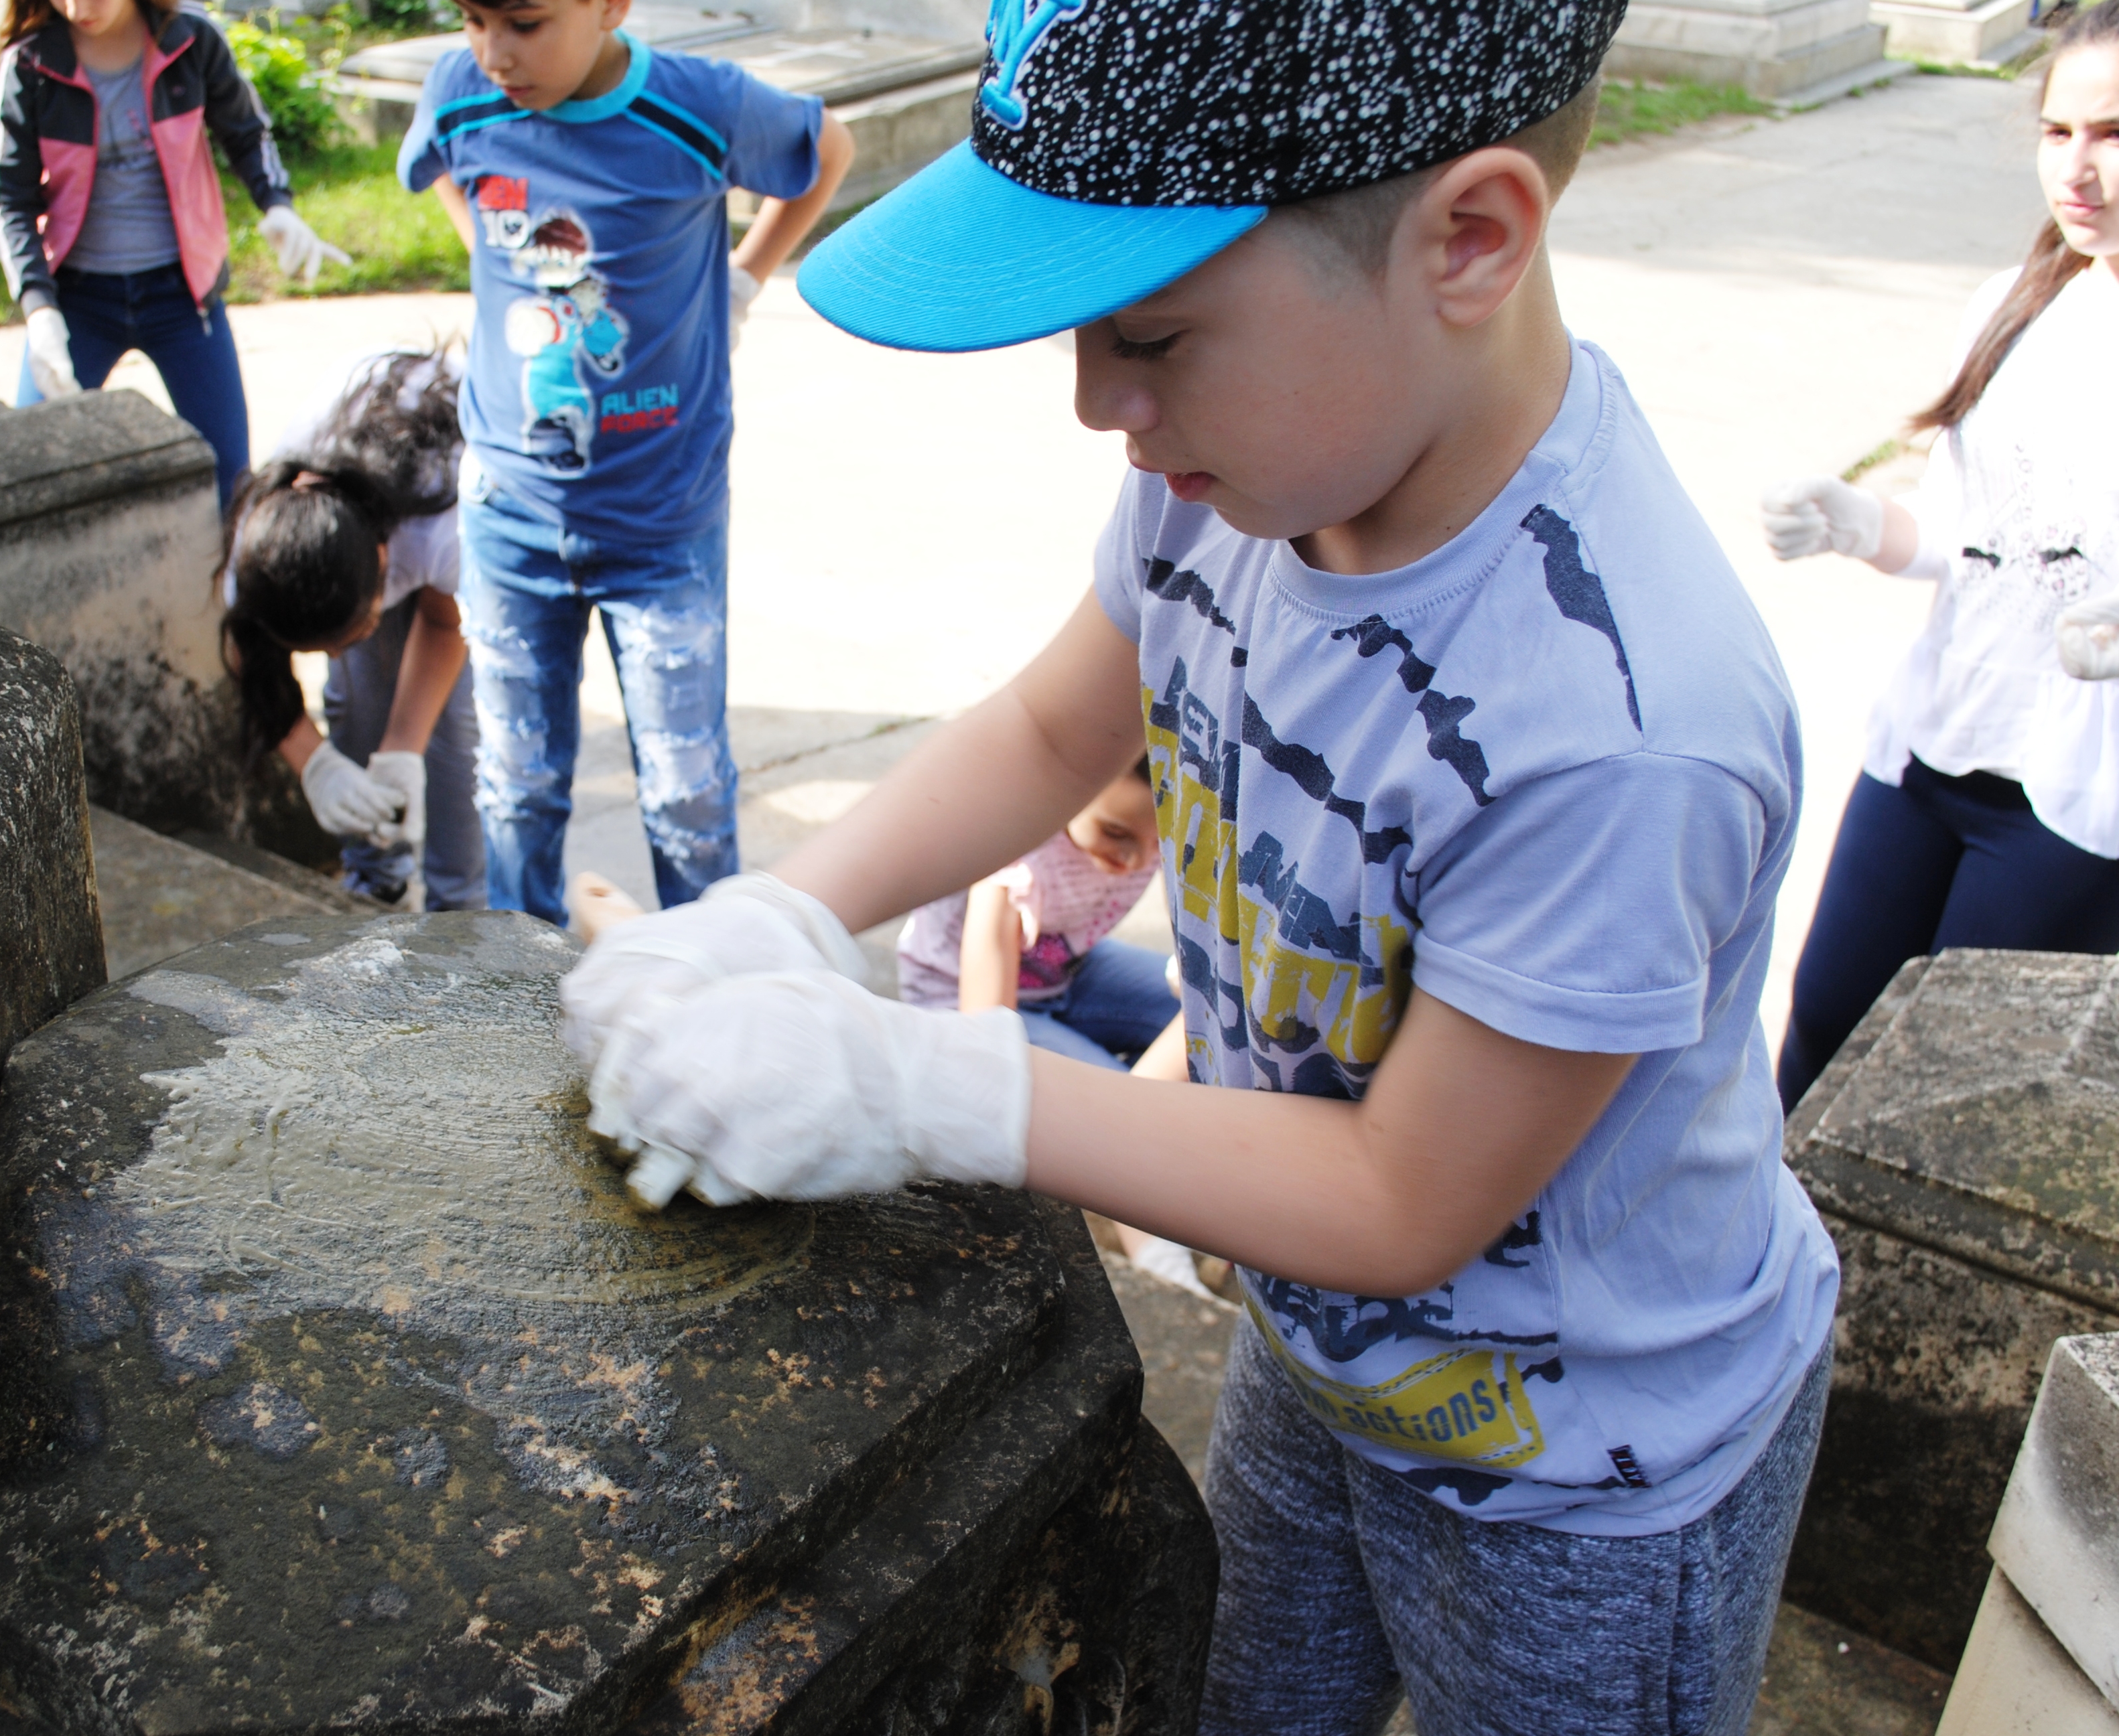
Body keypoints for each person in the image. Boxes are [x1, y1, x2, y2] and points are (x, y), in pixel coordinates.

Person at [557, 4, 1841, 1731]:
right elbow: (1046, 730)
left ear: (1469, 240)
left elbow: (1405, 1196)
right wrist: (776, 912)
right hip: (1319, 1353)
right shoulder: (1230, 479)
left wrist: (919, 1081)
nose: (1100, 405)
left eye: (1152, 332)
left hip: (1585, 1474)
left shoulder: (1620, 724)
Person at [392, 0, 854, 926]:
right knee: (518, 784)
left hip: (661, 524)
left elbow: (826, 152)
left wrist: (746, 278)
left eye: (524, 22)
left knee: (687, 796)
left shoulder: (699, 106)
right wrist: (488, 249)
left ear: (611, 6)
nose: (495, 53)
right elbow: (440, 167)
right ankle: (526, 991)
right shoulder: (461, 92)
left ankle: (705, 994)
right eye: (473, 19)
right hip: (511, 515)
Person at [1760, 1, 2119, 1111]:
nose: (2077, 169)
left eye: (2110, 133)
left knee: (1938, 1105)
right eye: (2056, 132)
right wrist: (1858, 525)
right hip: (1927, 750)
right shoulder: (2017, 307)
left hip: (2073, 798)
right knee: (1820, 1036)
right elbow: (1967, 546)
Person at [0, 0, 346, 511]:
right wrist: (39, 308)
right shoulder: (30, 64)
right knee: (18, 477)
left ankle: (223, 593)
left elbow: (246, 132)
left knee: (231, 486)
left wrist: (277, 204)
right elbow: (10, 199)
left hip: (182, 299)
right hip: (77, 303)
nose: (79, 7)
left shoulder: (191, 40)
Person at [221, 350, 483, 910]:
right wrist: (314, 764)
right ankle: (374, 886)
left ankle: (464, 908)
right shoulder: (262, 541)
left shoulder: (441, 531)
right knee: (358, 703)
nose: (338, 653)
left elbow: (444, 624)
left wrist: (404, 751)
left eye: (350, 631)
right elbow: (249, 652)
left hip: (443, 480)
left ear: (386, 562)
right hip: (353, 535)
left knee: (457, 736)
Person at [898, 755, 1177, 1071]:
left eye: (1159, 842)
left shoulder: (1154, 831)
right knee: (1122, 1103)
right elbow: (985, 1032)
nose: (1136, 861)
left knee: (1214, 1023)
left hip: (1066, 973)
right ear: (1071, 798)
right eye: (1114, 833)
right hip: (961, 994)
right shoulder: (1021, 860)